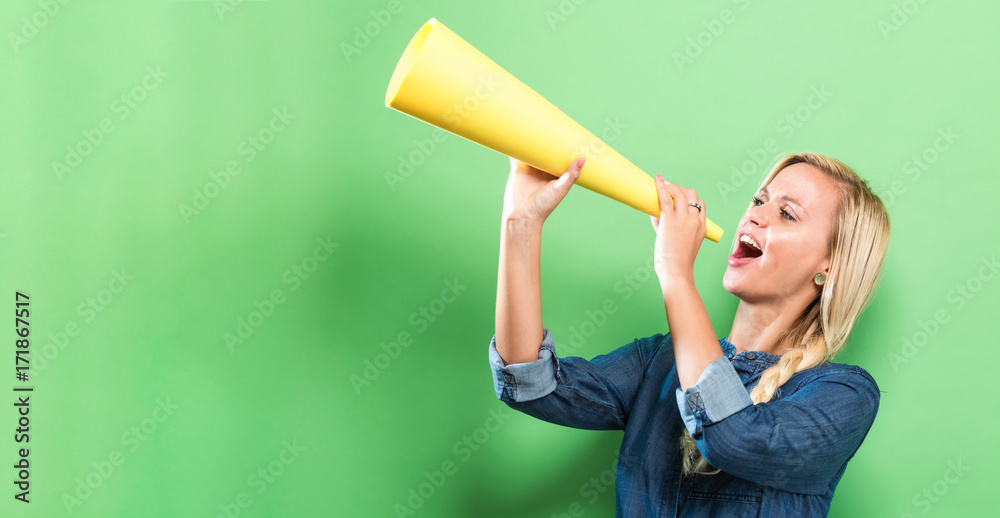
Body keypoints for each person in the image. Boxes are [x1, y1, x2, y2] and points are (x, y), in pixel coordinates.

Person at [488, 151, 889, 517]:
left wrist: (676, 274)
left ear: (829, 267)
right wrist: (520, 224)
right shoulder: (660, 360)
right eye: (758, 200)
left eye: (787, 214)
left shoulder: (844, 395)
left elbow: (732, 436)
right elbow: (530, 384)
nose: (754, 215)